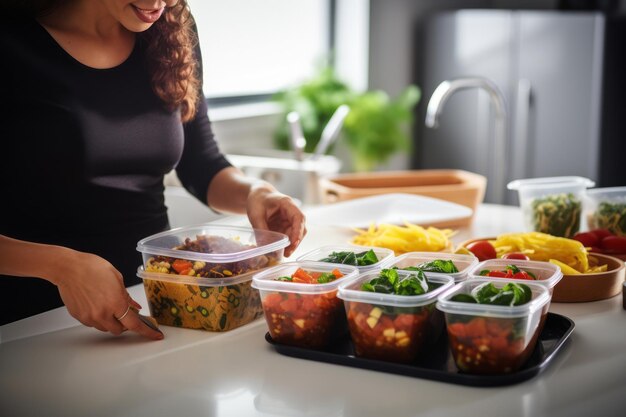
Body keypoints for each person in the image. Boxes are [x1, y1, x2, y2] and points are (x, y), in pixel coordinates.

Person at [0, 0, 307, 339]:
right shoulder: (11, 41)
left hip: (168, 307)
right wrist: (59, 266)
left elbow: (202, 165)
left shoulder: (172, 28)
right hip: (32, 326)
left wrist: (257, 192)